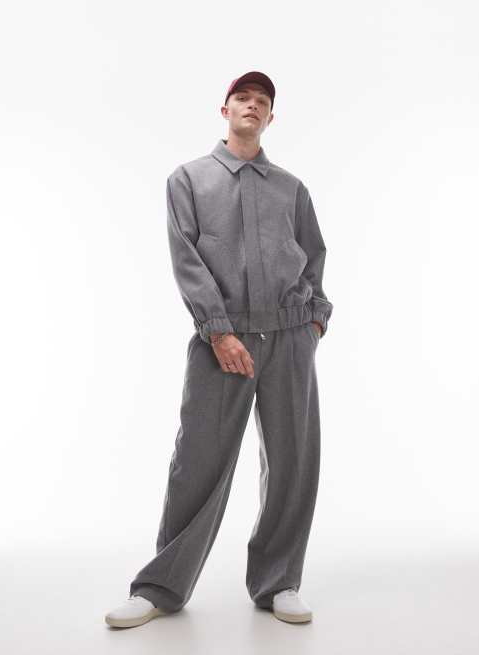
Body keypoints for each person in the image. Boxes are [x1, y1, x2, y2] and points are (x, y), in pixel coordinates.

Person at [105, 71, 333, 629]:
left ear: (271, 118)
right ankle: (160, 587)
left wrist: (314, 321)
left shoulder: (292, 188)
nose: (252, 106)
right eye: (242, 98)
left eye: (262, 102)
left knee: (293, 463)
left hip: (290, 339)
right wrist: (218, 331)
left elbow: (314, 255)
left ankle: (279, 582)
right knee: (198, 462)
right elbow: (186, 259)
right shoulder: (188, 180)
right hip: (222, 342)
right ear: (224, 109)